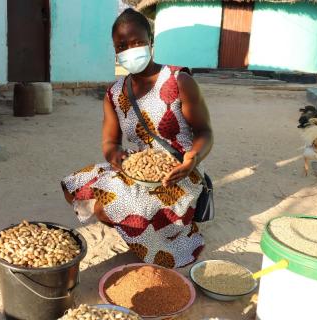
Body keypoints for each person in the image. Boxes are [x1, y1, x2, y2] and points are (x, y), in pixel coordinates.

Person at [61, 8, 213, 268]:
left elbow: (204, 132)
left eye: (138, 42)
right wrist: (114, 156)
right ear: (115, 50)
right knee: (73, 183)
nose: (130, 50)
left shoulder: (179, 80)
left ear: (151, 42)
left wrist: (193, 159)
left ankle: (164, 230)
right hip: (138, 167)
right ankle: (133, 221)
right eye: (122, 45)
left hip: (179, 172)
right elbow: (110, 142)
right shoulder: (115, 92)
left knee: (106, 208)